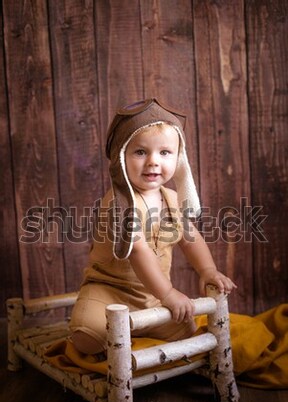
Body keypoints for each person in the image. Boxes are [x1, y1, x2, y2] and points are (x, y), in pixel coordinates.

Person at [70, 98, 236, 356]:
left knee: (188, 334)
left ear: (178, 158)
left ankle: (139, 329)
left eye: (164, 152)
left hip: (152, 297)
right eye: (140, 152)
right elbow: (137, 251)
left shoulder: (170, 198)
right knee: (86, 338)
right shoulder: (119, 201)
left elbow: (190, 237)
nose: (153, 162)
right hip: (109, 292)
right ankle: (111, 331)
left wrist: (207, 270)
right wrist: (169, 294)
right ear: (120, 156)